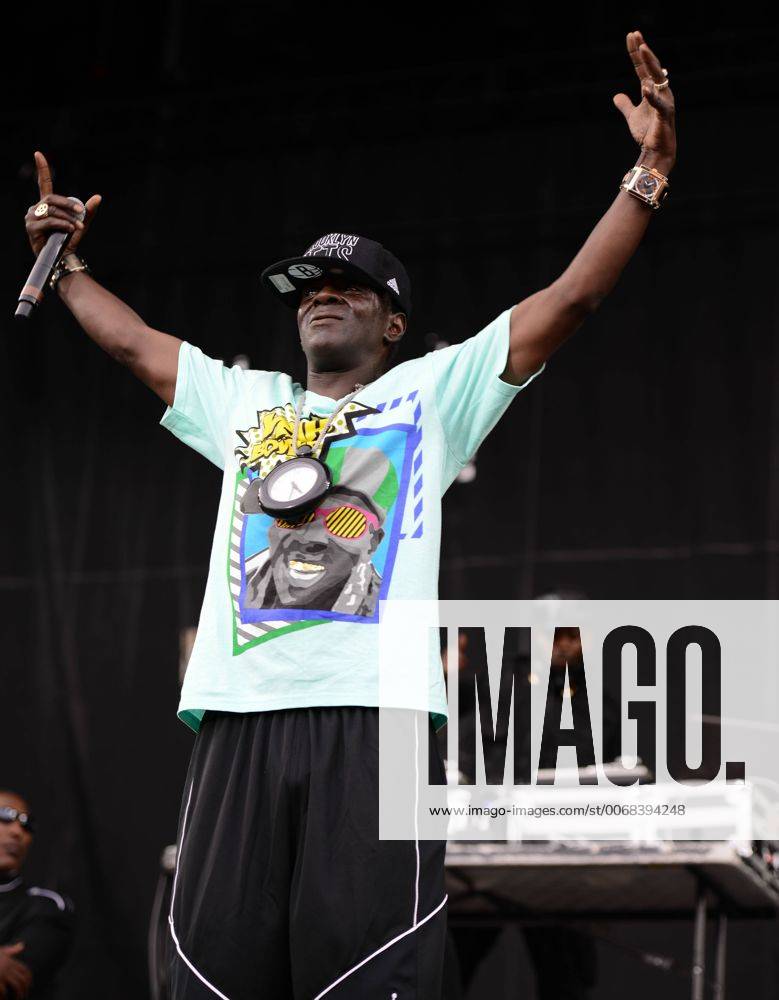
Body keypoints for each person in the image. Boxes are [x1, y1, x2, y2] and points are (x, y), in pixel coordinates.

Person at [23, 29, 676, 999]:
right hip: (242, 716)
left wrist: (648, 172)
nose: (320, 298)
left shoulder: (433, 392)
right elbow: (132, 347)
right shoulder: (244, 405)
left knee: (371, 972)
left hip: (378, 717)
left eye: (347, 289)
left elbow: (571, 298)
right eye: (305, 291)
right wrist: (63, 264)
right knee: (217, 969)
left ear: (393, 321)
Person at [0, 790, 74, 999]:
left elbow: (12, 981)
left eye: (27, 825)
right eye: (5, 816)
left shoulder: (46, 906)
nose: (17, 832)